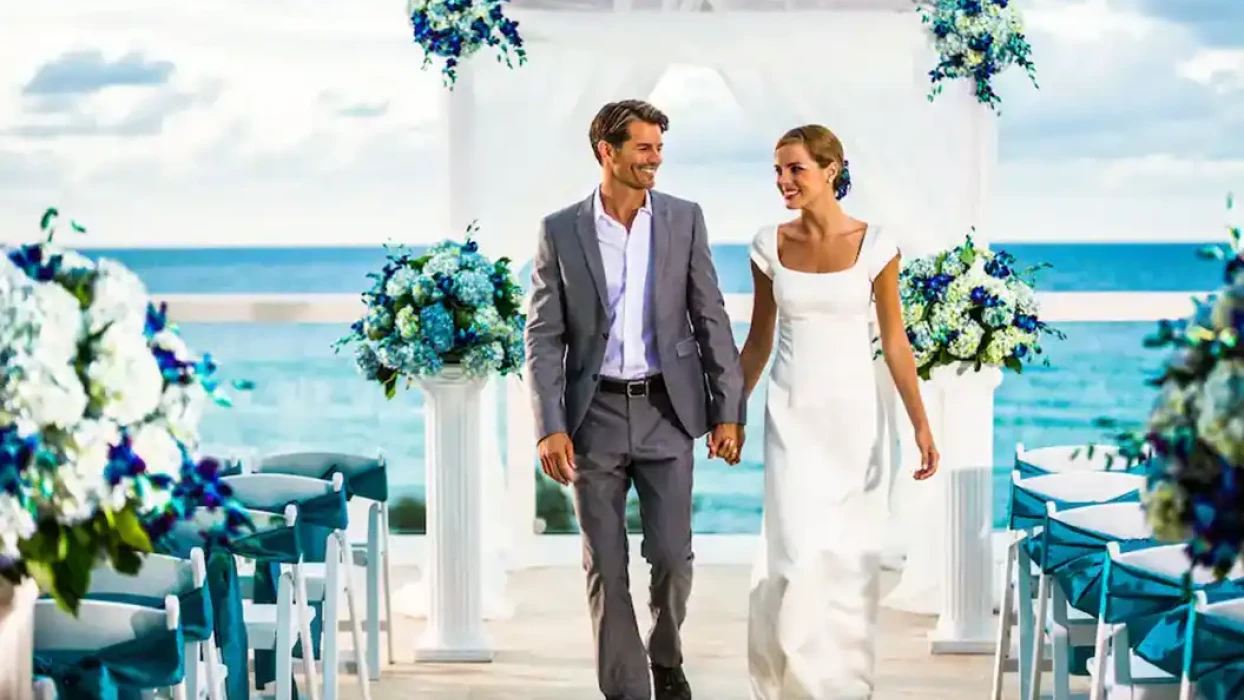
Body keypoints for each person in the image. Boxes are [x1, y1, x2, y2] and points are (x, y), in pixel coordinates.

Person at [524, 99, 747, 700]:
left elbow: (711, 317)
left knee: (672, 555)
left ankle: (666, 654)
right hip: (590, 415)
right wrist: (549, 424)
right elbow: (543, 336)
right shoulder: (560, 229)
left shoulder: (683, 219)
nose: (656, 160)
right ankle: (627, 690)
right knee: (606, 565)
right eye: (644, 148)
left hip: (667, 411)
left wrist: (727, 408)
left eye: (659, 148)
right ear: (608, 151)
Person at [740, 125, 939, 699]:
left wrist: (920, 424)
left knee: (847, 566)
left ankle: (845, 688)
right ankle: (792, 686)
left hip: (855, 420)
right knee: (793, 558)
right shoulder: (767, 244)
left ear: (831, 169)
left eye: (795, 169)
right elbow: (757, 340)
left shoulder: (877, 245)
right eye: (777, 170)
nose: (783, 181)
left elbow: (896, 343)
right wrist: (728, 412)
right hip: (791, 415)